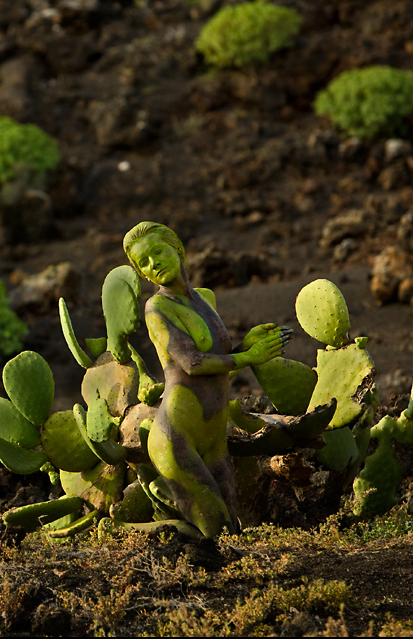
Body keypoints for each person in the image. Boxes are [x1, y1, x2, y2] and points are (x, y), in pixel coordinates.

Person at [123, 221, 290, 536]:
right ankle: (130, 534)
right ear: (143, 275)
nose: (153, 263)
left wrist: (247, 344)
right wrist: (250, 357)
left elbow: (219, 369)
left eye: (157, 251)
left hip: (213, 437)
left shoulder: (206, 299)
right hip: (177, 437)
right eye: (143, 263)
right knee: (214, 528)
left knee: (231, 530)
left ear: (177, 249)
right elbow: (194, 364)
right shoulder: (156, 308)